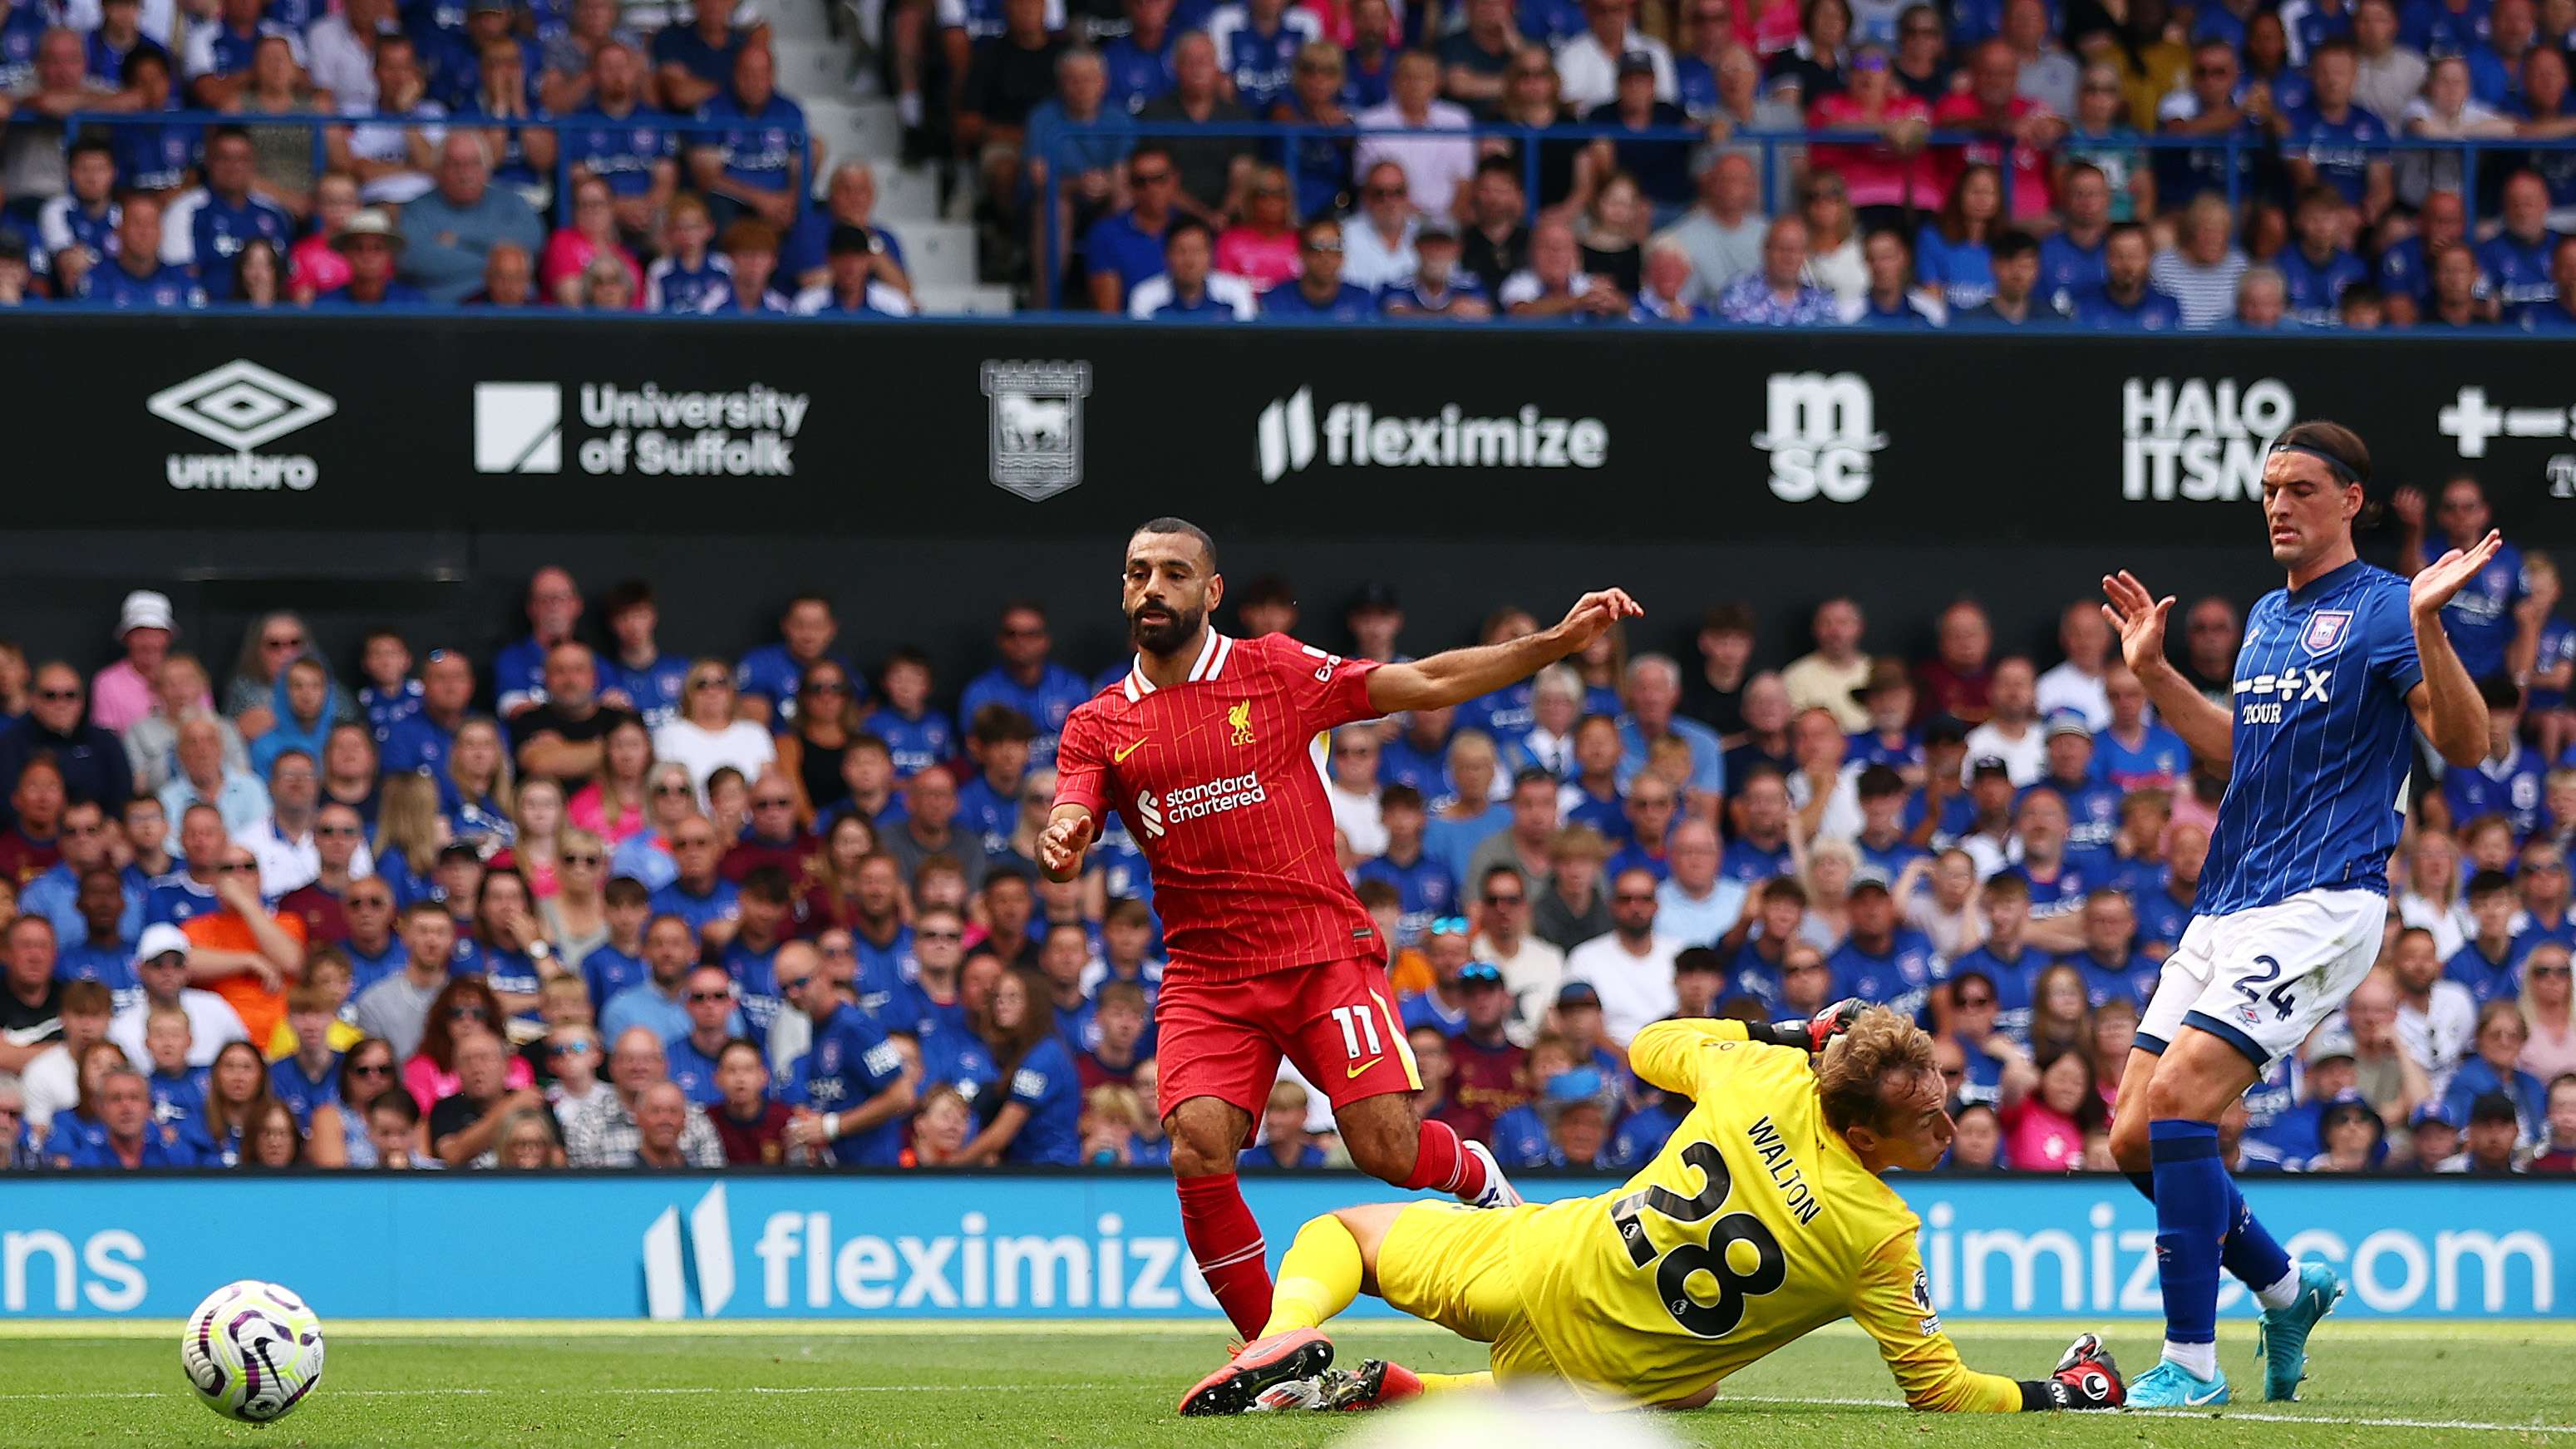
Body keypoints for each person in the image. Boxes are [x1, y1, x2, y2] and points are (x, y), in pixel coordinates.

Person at [1037, 518, 1640, 1338]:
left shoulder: (1274, 669)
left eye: (1174, 573)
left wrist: (1557, 642)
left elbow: (1425, 682)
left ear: (1211, 593)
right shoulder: (1100, 722)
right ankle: (1273, 1350)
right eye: (1139, 571)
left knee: (1385, 1150)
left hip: (1320, 952)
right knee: (1195, 1146)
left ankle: (1480, 1177)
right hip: (1208, 976)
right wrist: (1064, 835)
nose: (1152, 588)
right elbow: (1071, 811)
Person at [2098, 420, 2498, 1406]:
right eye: (2270, 488)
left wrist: (2433, 625)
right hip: (2229, 901)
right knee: (2133, 1138)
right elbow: (2244, 755)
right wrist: (2153, 675)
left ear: (2351, 501)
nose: (2278, 505)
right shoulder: (2269, 619)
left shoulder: (2385, 609)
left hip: (2323, 898)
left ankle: (2191, 1366)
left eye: (2300, 489)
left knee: (2186, 1098)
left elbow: (2472, 743)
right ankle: (2286, 1289)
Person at [1183, 1006, 2125, 1416]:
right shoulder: (1881, 1236)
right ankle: (1412, 1394)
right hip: (1609, 1376)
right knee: (1689, 1381)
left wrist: (1789, 1034)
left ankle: (1285, 1333)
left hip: (1545, 1262)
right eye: (1928, 1115)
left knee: (1340, 1233)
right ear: (1868, 1138)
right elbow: (1942, 1393)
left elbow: (1648, 1045)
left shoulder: (1760, 1072)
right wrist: (2058, 1394)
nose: (1949, 1122)